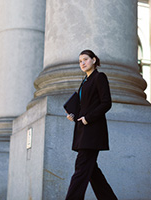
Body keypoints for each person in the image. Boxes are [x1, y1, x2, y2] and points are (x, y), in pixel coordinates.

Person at [65, 49, 118, 200]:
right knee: (92, 172)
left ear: (94, 60)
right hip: (83, 130)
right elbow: (85, 105)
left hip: (92, 131)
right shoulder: (84, 81)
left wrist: (88, 118)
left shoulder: (99, 77)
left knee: (81, 169)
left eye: (85, 59)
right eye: (80, 61)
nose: (82, 63)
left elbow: (106, 103)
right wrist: (73, 115)